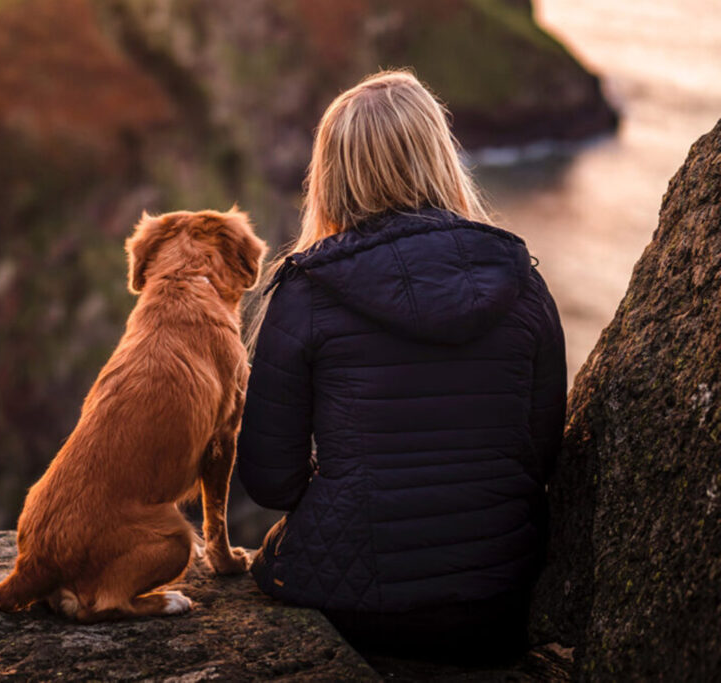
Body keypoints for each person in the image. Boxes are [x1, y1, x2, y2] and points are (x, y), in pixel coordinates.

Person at [236, 70, 566, 664]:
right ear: (441, 156)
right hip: (497, 598)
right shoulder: (523, 282)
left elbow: (269, 482)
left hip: (358, 611)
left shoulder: (307, 293)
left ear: (331, 174)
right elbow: (538, 455)